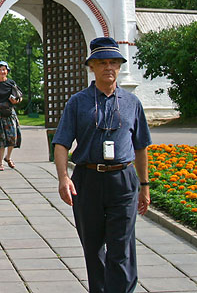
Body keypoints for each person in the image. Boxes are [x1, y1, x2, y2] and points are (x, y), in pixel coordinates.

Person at [52, 37, 152, 293]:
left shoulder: (132, 103)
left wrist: (144, 186)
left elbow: (141, 147)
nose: (109, 67)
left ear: (119, 67)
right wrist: (64, 178)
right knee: (93, 247)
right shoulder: (78, 102)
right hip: (88, 180)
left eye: (114, 63)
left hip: (123, 180)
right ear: (92, 67)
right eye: (103, 63)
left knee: (121, 246)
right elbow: (62, 143)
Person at [0, 61, 22, 171]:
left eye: (4, 69)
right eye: (0, 69)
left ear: (7, 71)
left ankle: (8, 157)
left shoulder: (11, 83)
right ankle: (0, 163)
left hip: (9, 111)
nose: (2, 71)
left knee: (13, 135)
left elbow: (19, 96)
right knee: (1, 138)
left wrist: (16, 101)